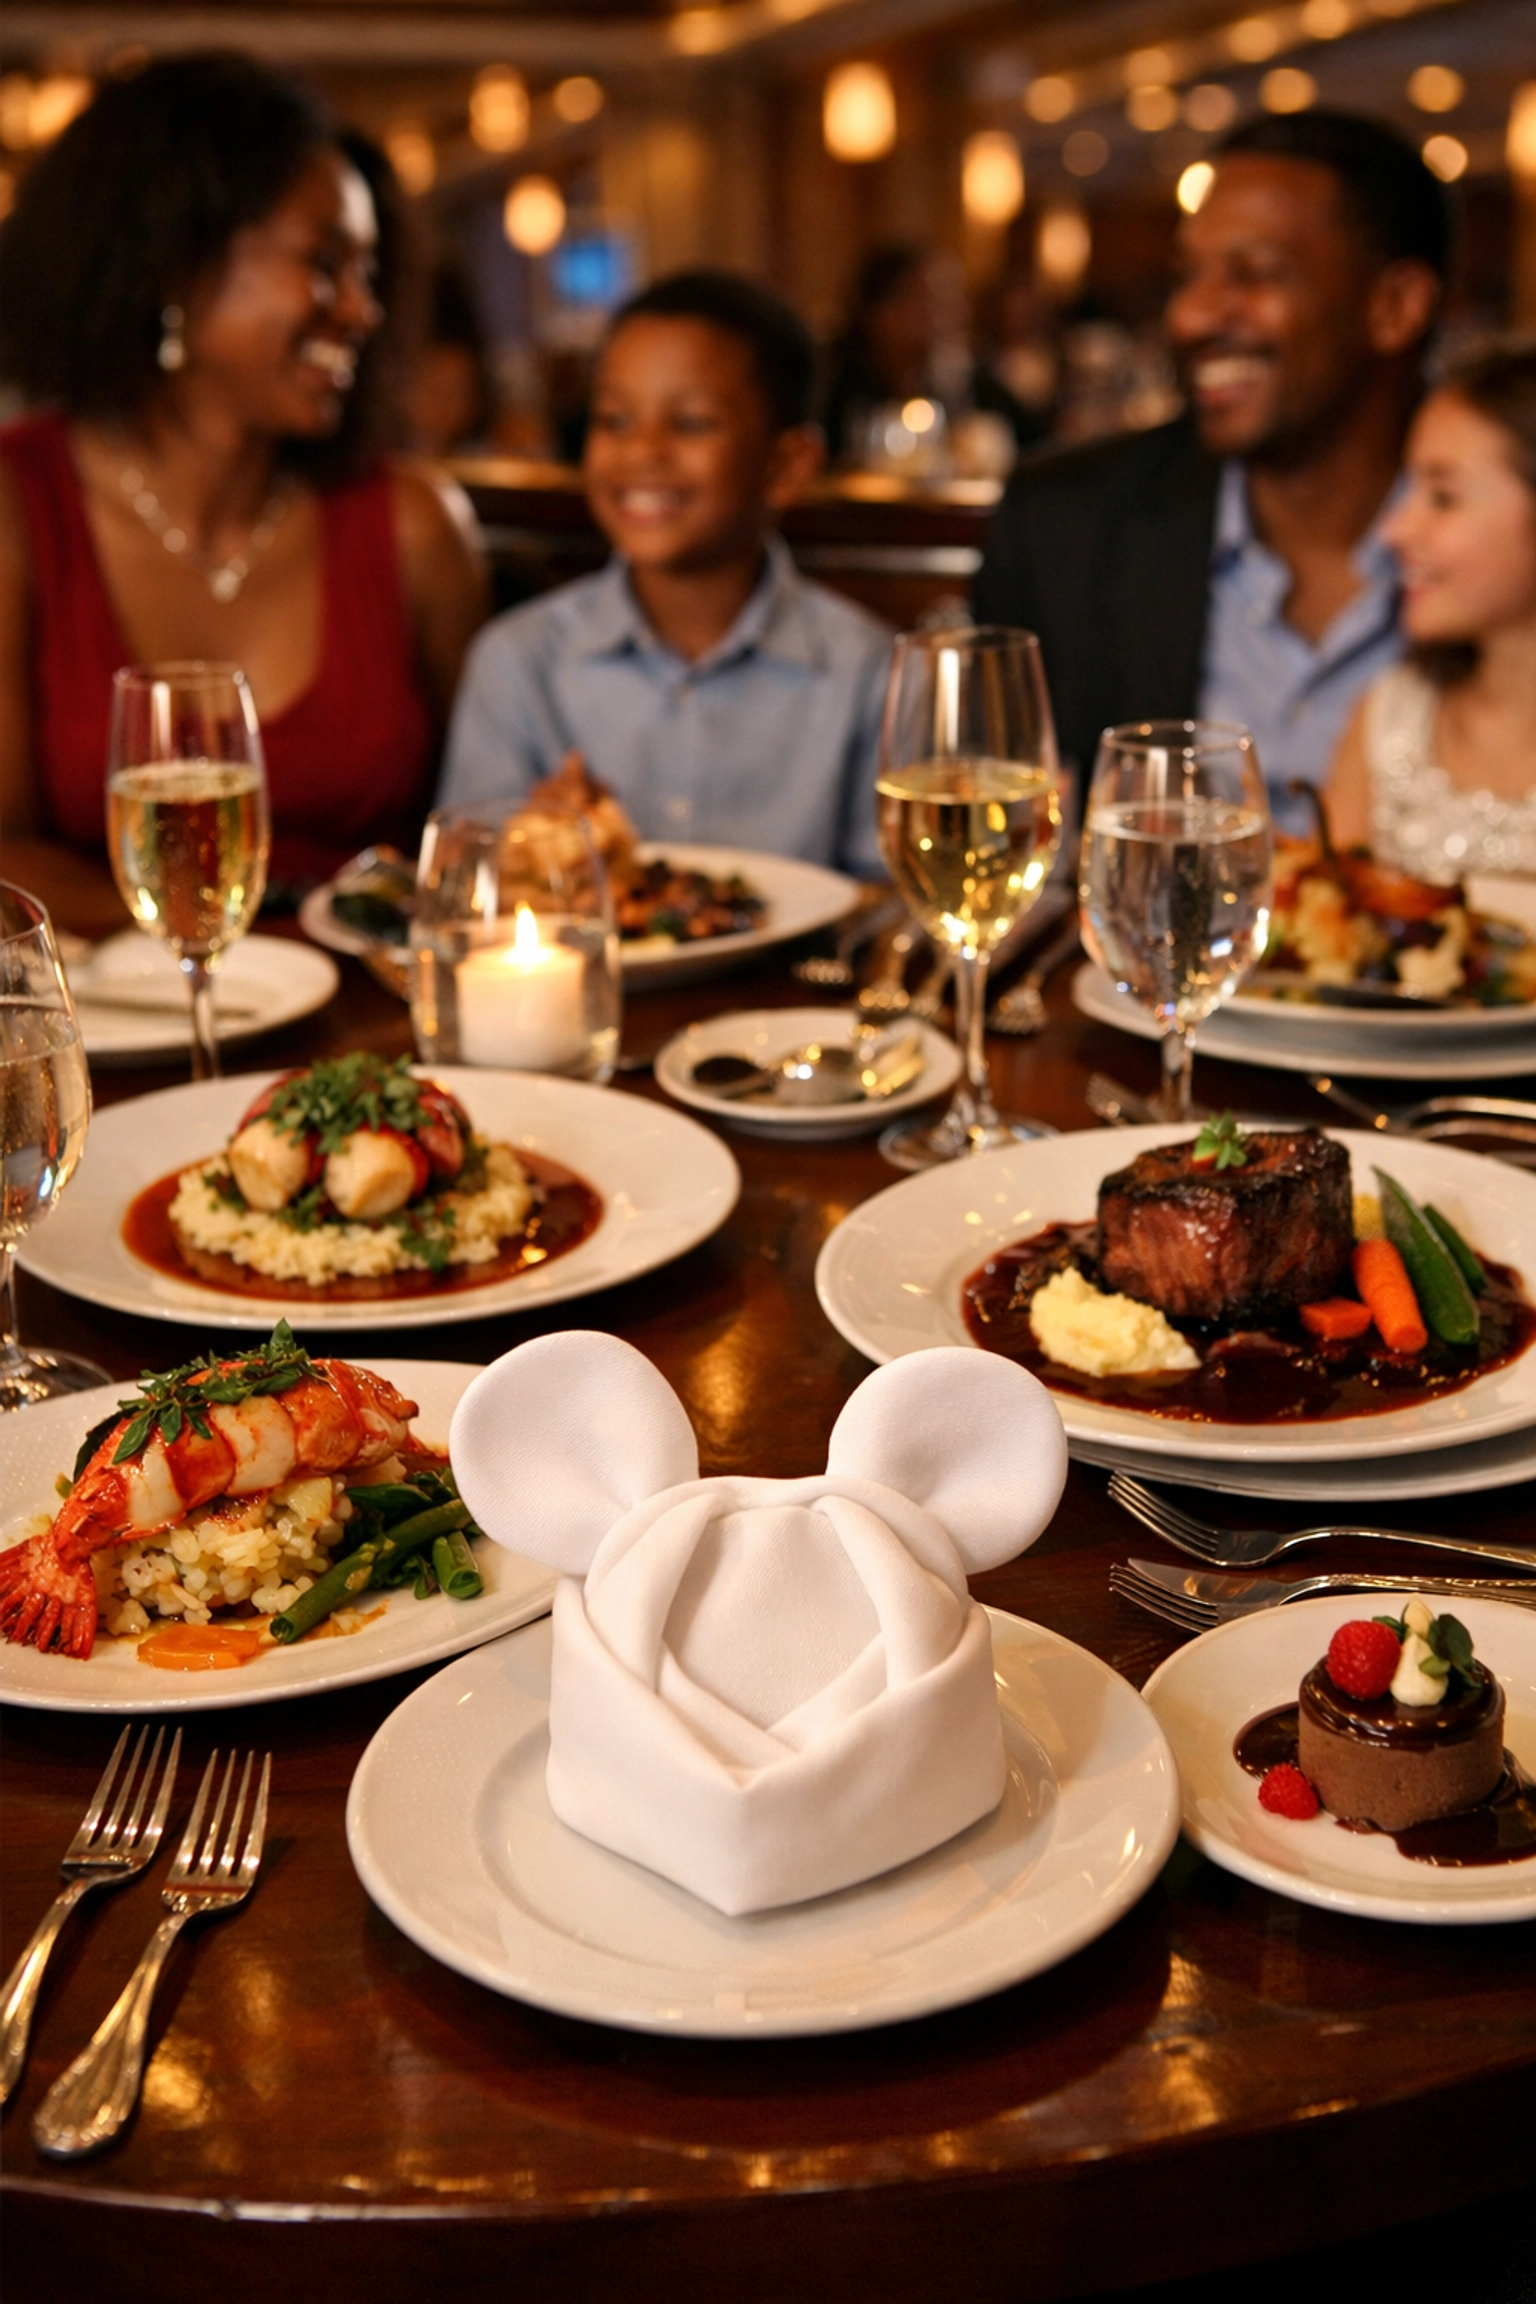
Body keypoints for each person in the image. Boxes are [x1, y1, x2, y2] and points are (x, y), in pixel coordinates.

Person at [0, 52, 487, 920]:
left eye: (369, 273)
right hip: (118, 1000)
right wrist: (229, 951)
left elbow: (479, 823)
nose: (363, 310)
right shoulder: (17, 505)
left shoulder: (415, 525)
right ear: (172, 266)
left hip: (368, 996)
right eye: (326, 262)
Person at [973, 111, 1449, 826]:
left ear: (1395, 307)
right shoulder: (1064, 526)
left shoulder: (1508, 538)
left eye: (1252, 274)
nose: (1191, 317)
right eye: (1189, 275)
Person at [440, 270, 892, 879]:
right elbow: (462, 882)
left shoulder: (868, 673)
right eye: (615, 420)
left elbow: (891, 900)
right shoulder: (519, 662)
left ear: (787, 464)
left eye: (691, 423)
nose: (643, 452)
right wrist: (528, 849)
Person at [1327, 339, 1536, 879]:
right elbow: (1316, 913)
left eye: (1442, 498)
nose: (1394, 530)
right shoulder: (1392, 720)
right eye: (1408, 491)